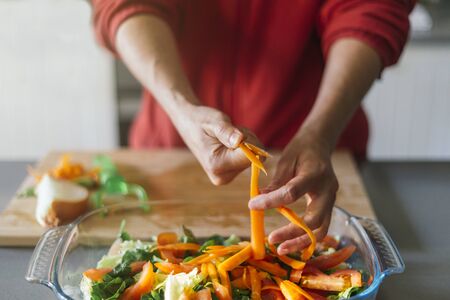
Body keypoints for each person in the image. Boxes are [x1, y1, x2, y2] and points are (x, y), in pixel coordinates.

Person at [92, 0, 414, 255]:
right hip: (170, 147)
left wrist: (319, 133)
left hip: (317, 143)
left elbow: (369, 8)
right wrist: (181, 107)